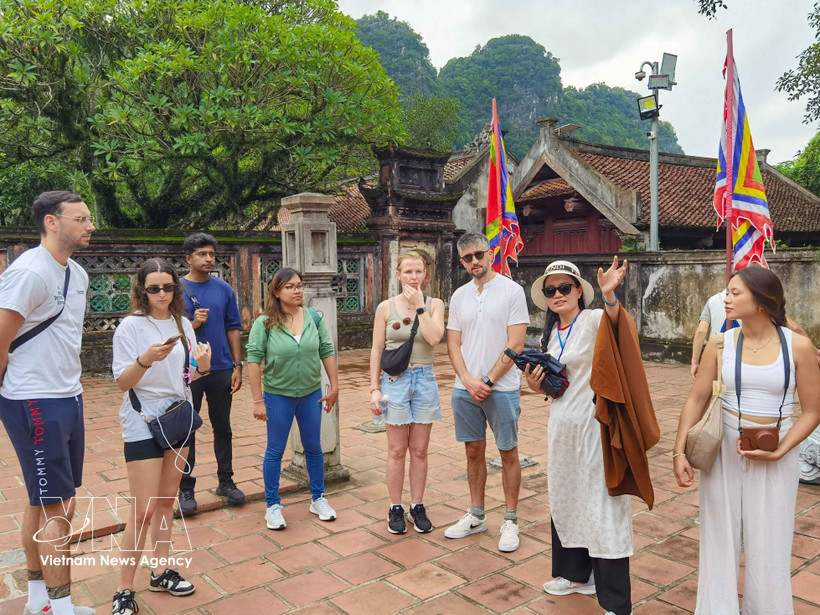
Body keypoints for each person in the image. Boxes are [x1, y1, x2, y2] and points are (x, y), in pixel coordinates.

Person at [673, 265, 820, 614]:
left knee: (770, 541)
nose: (726, 298)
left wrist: (783, 449)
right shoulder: (720, 343)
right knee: (719, 537)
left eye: (735, 292)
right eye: (728, 291)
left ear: (762, 301)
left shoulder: (797, 346)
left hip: (776, 451)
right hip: (724, 447)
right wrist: (679, 451)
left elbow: (813, 410)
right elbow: (696, 399)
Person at [0, 191, 95, 615]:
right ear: (52, 223)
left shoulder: (77, 272)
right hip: (33, 400)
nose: (90, 225)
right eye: (81, 219)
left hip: (68, 395)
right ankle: (62, 608)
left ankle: (38, 598)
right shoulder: (29, 273)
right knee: (57, 508)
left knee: (51, 498)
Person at [524, 258, 635, 615]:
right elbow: (559, 385)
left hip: (595, 425)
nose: (557, 295)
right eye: (550, 290)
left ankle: (616, 602)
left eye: (564, 288)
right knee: (567, 497)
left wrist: (610, 296)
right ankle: (576, 575)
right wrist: (536, 383)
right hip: (562, 425)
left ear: (578, 291)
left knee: (603, 503)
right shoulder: (550, 332)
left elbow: (620, 329)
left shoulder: (594, 320)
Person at [110, 258, 212, 615]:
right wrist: (144, 360)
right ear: (142, 290)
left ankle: (160, 570)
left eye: (168, 287)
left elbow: (186, 379)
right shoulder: (129, 327)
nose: (162, 294)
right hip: (141, 421)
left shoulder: (184, 324)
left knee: (167, 500)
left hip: (177, 419)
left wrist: (202, 368)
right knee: (143, 508)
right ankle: (124, 588)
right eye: (154, 288)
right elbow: (122, 382)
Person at [445, 232, 529, 552]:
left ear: (491, 253)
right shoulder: (459, 296)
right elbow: (453, 343)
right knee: (473, 452)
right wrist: (468, 380)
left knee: (508, 452)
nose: (474, 262)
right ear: (462, 261)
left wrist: (489, 381)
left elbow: (516, 344)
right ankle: (477, 514)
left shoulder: (512, 291)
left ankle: (510, 520)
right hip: (464, 388)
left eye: (479, 254)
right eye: (467, 258)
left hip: (503, 388)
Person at [247, 268, 340, 529]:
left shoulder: (312, 317)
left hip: (310, 393)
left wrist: (334, 387)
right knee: (275, 450)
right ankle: (273, 506)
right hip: (278, 395)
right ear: (276, 292)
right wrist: (258, 400)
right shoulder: (264, 323)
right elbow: (253, 361)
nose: (297, 290)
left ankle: (318, 498)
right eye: (290, 287)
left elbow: (326, 349)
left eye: (300, 285)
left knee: (313, 447)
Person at [369, 250, 445, 534]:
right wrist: (374, 388)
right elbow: (377, 349)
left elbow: (435, 338)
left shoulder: (435, 304)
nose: (413, 276)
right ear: (398, 274)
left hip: (425, 378)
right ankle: (395, 507)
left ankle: (417, 505)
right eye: (408, 271)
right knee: (397, 449)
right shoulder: (386, 307)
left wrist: (420, 307)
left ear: (426, 274)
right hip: (395, 381)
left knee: (420, 450)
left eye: (418, 271)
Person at [177, 233, 245, 513]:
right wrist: (192, 324)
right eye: (202, 254)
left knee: (223, 427)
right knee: (186, 429)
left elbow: (233, 328)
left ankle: (226, 481)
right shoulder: (174, 289)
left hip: (220, 369)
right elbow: (167, 330)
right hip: (188, 371)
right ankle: (185, 488)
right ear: (188, 258)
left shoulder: (224, 289)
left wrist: (237, 365)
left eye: (211, 254)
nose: (208, 259)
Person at [691, 290, 734, 379]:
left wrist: (695, 362)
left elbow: (701, 331)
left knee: (714, 388)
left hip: (715, 354)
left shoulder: (713, 300)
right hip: (741, 355)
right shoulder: (751, 300)